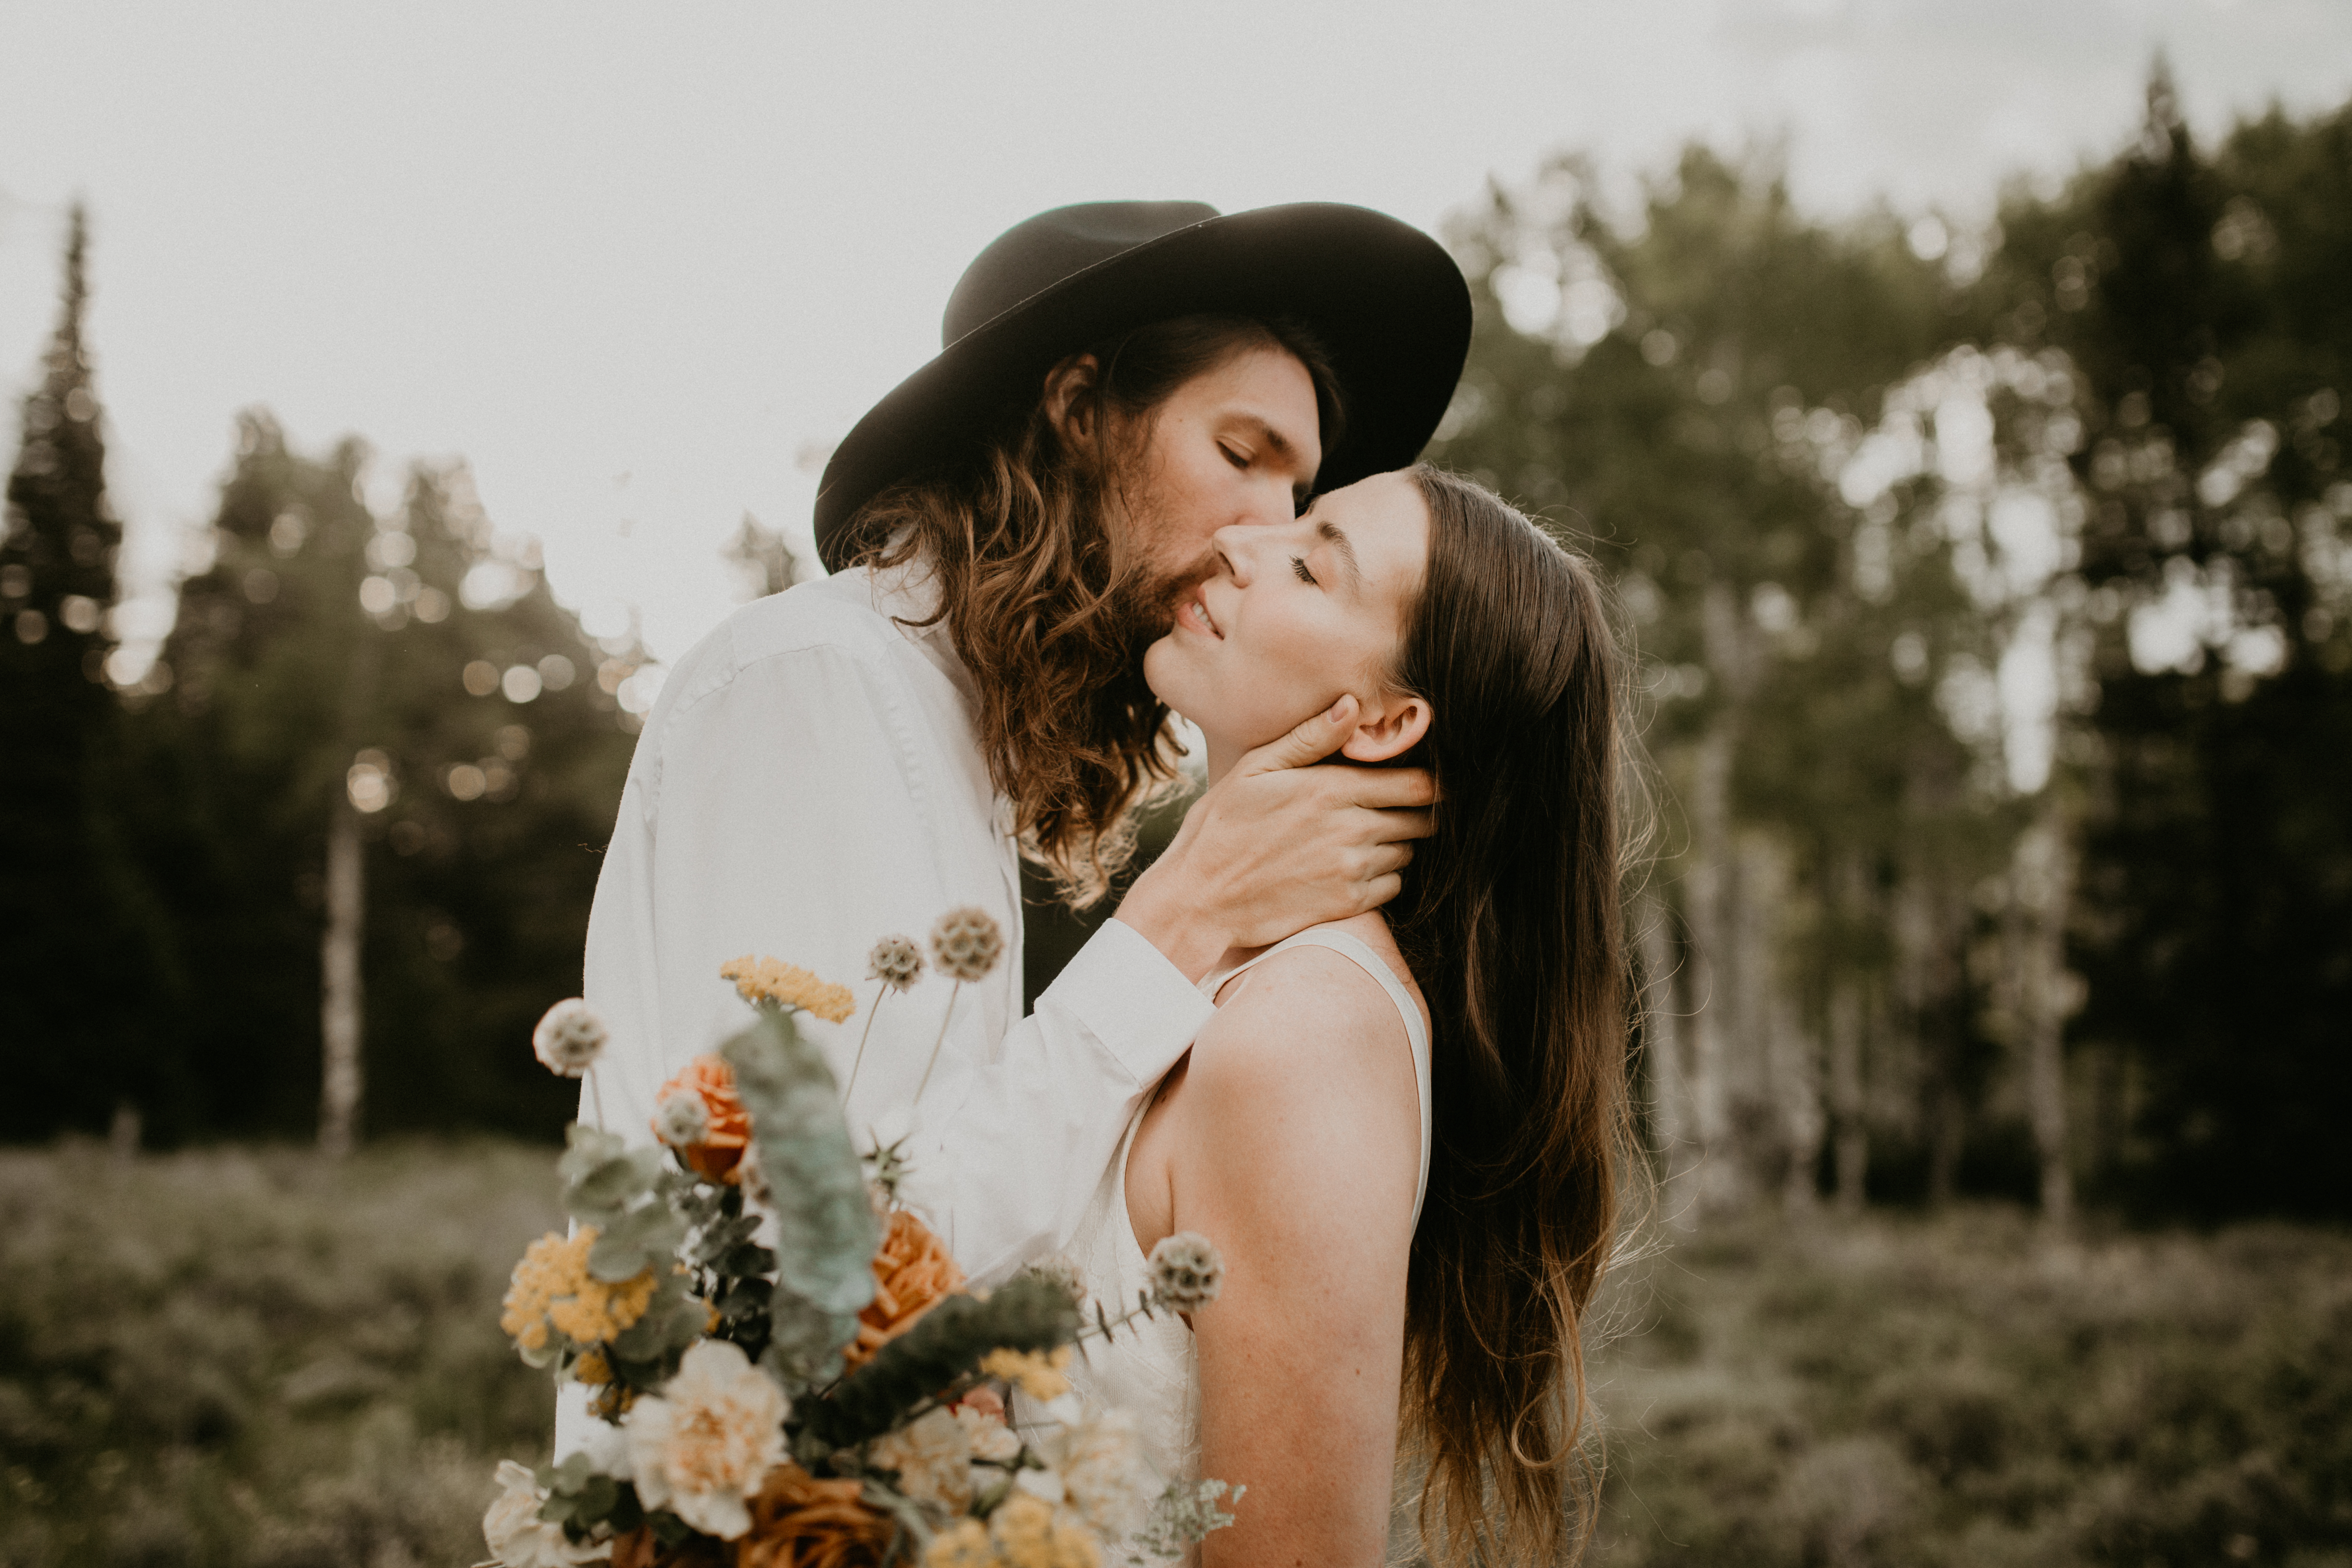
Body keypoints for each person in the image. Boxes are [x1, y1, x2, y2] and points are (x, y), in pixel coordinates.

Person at [563, 201, 1470, 1450]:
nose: (1268, 527)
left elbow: (927, 1199)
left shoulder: (940, 736)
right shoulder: (813, 689)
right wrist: (1180, 913)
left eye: (1299, 486)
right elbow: (796, 1284)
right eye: (1241, 450)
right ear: (1078, 409)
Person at [1062, 465, 1635, 1568]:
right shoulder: (1215, 970)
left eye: (1311, 562)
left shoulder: (1307, 1030)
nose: (1239, 535)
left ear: (1385, 719)